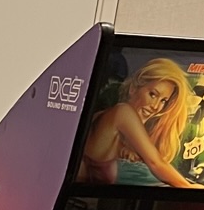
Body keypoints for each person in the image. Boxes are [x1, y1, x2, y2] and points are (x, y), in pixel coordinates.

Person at [77, 57, 196, 186]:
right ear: (133, 88)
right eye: (153, 94)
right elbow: (156, 163)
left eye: (163, 101)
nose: (156, 107)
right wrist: (190, 188)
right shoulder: (122, 112)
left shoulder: (118, 130)